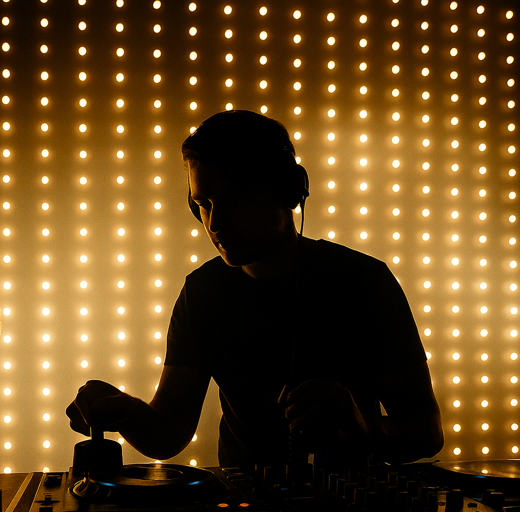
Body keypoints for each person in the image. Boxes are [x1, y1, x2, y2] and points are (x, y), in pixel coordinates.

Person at [66, 110, 444, 472]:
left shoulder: (365, 281)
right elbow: (169, 434)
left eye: (233, 201)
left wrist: (363, 426)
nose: (215, 223)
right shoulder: (203, 293)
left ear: (288, 191)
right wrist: (123, 409)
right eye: (203, 205)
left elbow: (426, 435)